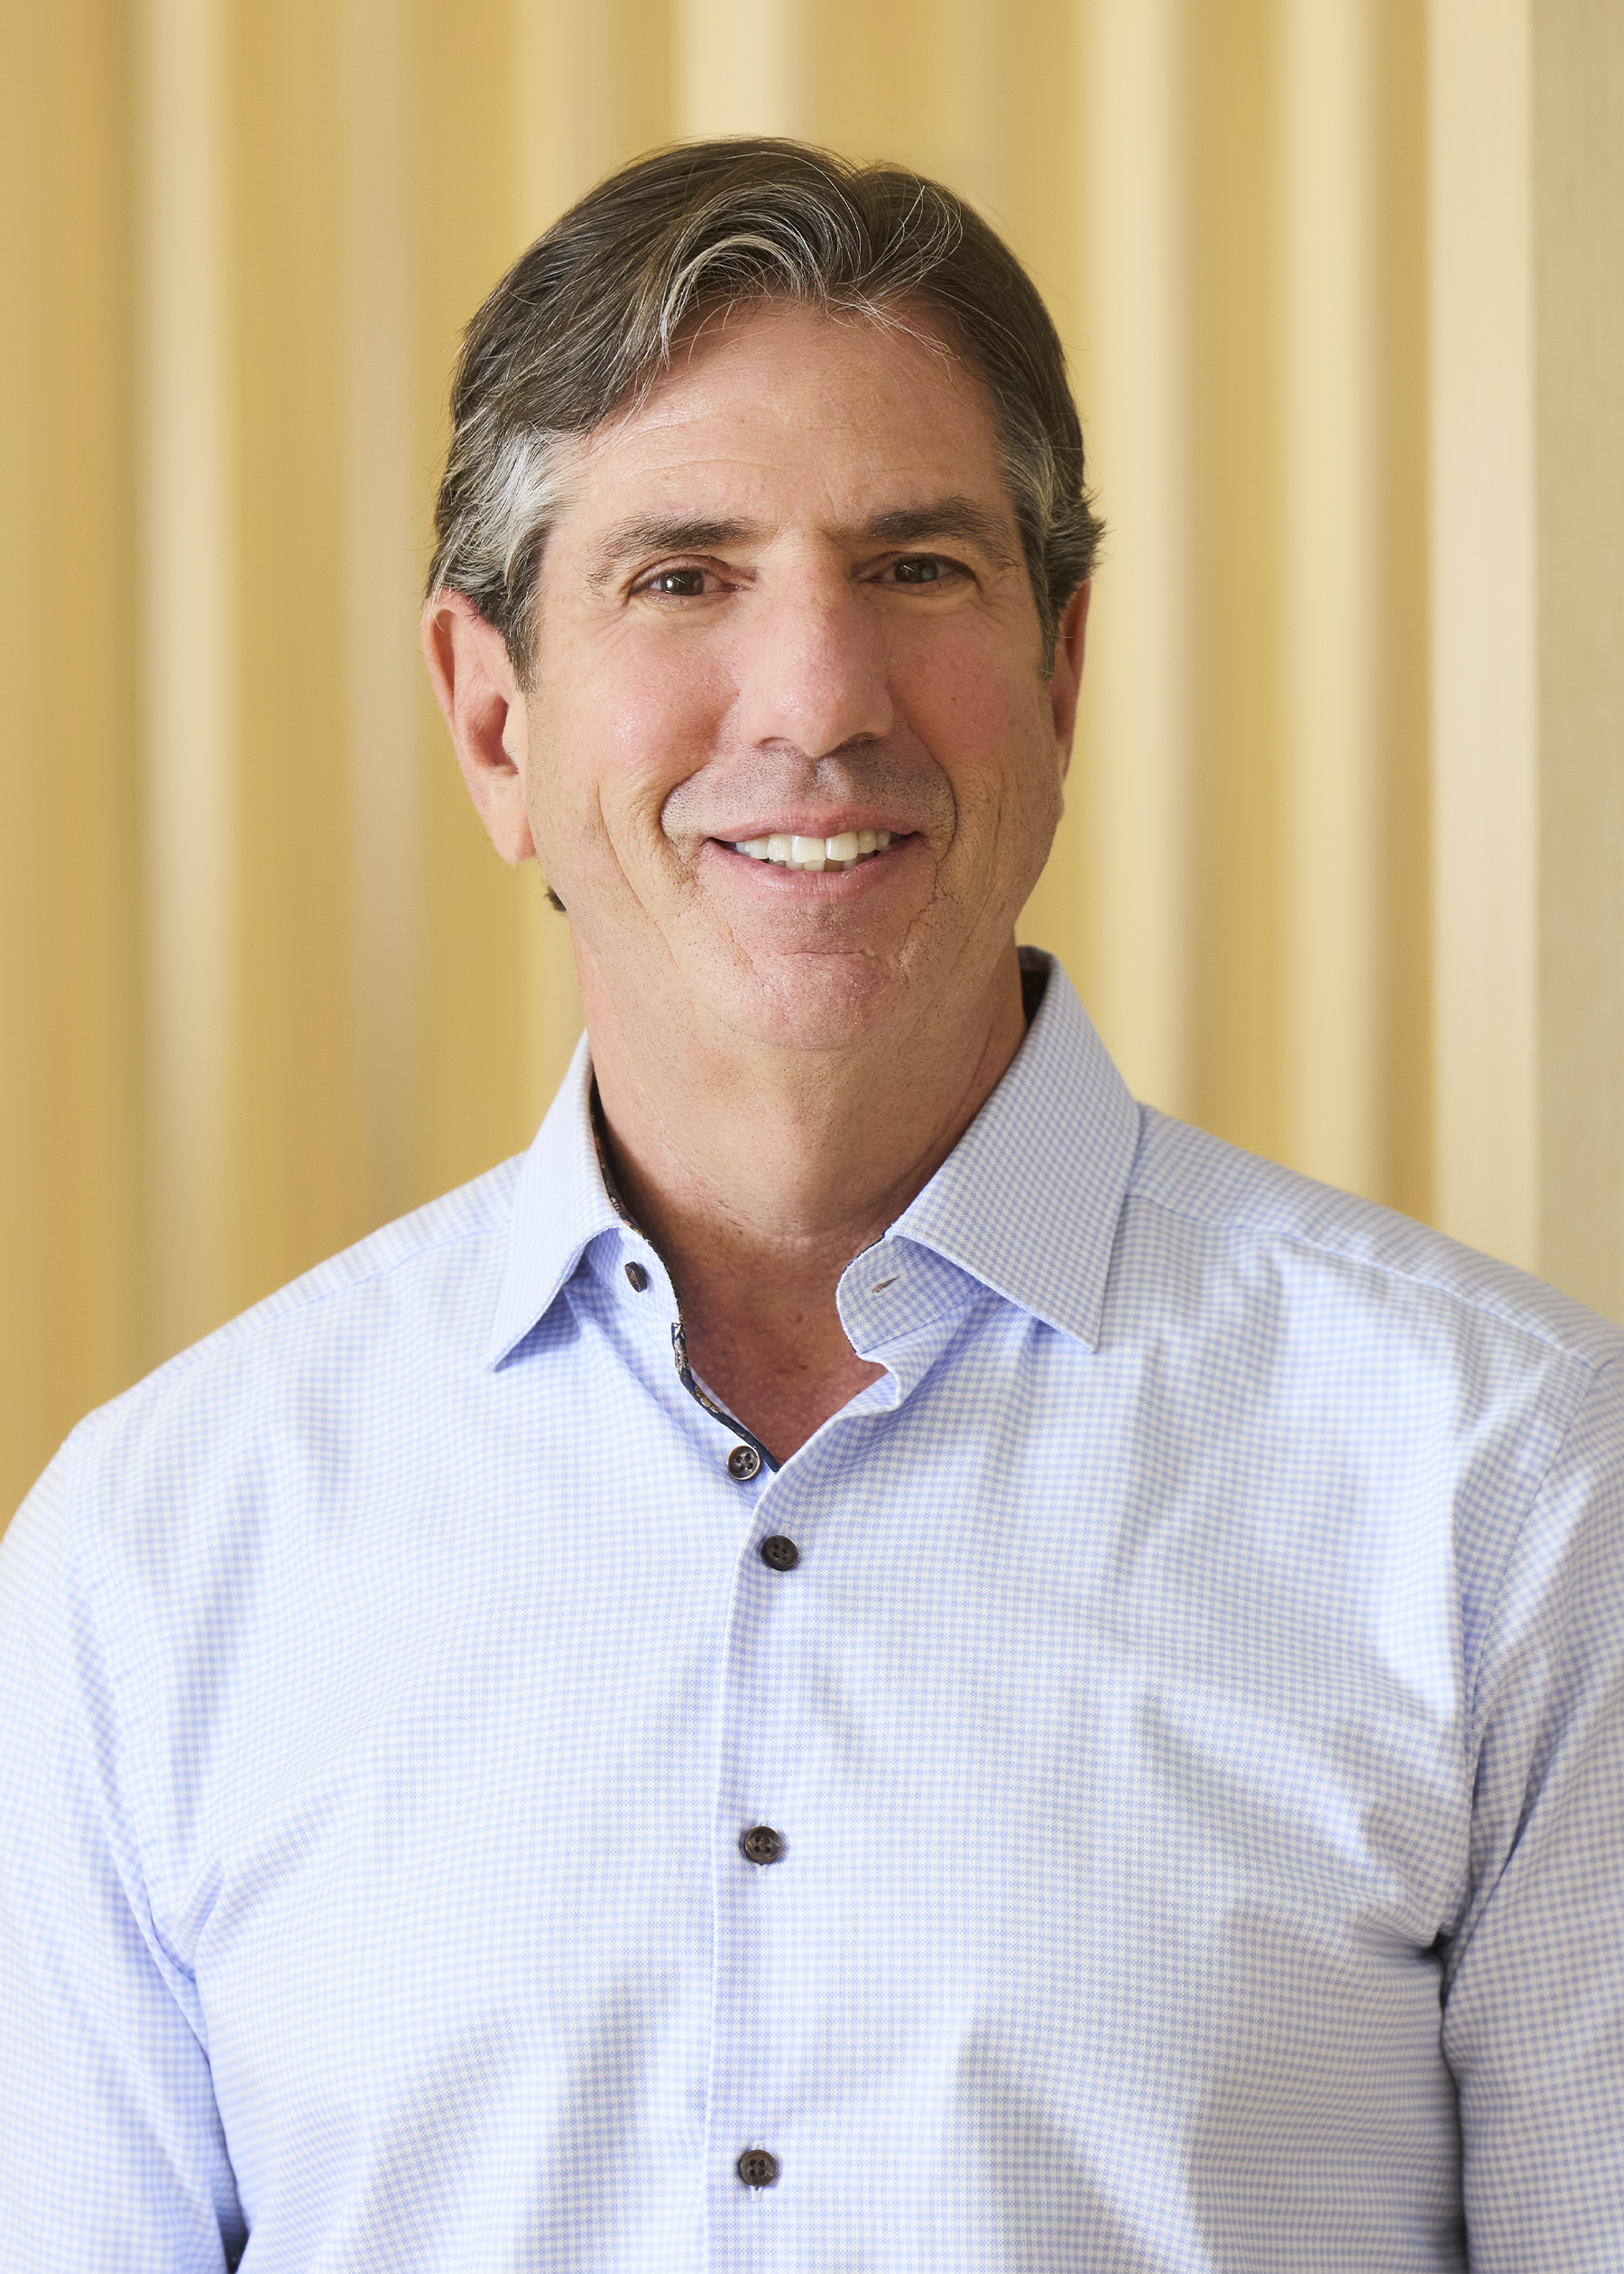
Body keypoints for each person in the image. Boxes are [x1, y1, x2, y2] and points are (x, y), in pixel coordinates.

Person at [2, 137, 1621, 2273]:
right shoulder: (153, 1559)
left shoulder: (1512, 1489)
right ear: (492, 718)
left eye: (917, 568)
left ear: (1062, 668)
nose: (821, 702)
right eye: (684, 578)